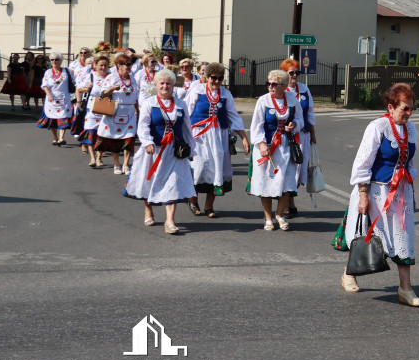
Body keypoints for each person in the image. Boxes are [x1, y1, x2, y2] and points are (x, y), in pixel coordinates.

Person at [342, 83, 419, 306]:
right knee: (366, 233)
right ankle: (349, 274)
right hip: (377, 190)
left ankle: (405, 289)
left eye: (411, 109)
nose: (408, 113)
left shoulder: (411, 129)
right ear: (390, 107)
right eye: (404, 108)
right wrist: (363, 194)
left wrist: (412, 192)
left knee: (403, 238)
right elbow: (362, 162)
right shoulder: (377, 127)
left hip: (401, 192)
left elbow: (410, 163)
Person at [123, 69, 196, 234]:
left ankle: (170, 221)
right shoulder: (149, 103)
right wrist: (147, 142)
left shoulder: (180, 104)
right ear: (156, 85)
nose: (165, 86)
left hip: (173, 151)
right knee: (149, 181)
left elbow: (186, 128)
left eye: (168, 83)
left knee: (173, 183)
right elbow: (142, 125)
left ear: (173, 86)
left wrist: (191, 149)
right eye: (162, 83)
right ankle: (148, 210)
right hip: (153, 151)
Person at [184, 63, 248, 218]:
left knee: (216, 168)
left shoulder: (226, 94)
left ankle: (209, 206)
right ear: (207, 77)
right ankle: (193, 201)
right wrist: (183, 136)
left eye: (220, 78)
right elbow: (186, 113)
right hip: (199, 136)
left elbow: (234, 116)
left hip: (219, 136)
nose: (217, 81)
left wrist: (244, 137)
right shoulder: (197, 90)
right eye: (214, 78)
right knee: (198, 167)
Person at [247, 70, 303, 231]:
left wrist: (294, 125)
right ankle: (268, 218)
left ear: (284, 86)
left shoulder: (292, 100)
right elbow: (256, 125)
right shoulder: (263, 101)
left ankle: (280, 214)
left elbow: (300, 119)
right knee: (266, 180)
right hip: (268, 145)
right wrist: (262, 145)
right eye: (269, 83)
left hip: (286, 146)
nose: (270, 86)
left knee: (285, 180)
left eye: (274, 84)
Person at [282, 58, 317, 217]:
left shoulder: (304, 89)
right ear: (285, 73)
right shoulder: (281, 89)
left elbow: (310, 112)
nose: (294, 75)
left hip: (303, 135)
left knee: (299, 169)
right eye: (291, 72)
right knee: (289, 169)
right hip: (286, 136)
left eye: (297, 72)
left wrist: (313, 134)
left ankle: (290, 202)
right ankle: (287, 205)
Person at [95, 54, 140, 175]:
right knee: (115, 139)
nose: (130, 67)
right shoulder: (112, 77)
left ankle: (126, 164)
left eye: (130, 64)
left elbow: (136, 96)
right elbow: (102, 93)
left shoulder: (133, 79)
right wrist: (112, 89)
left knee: (129, 138)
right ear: (119, 65)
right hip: (115, 111)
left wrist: (137, 110)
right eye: (127, 64)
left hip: (130, 112)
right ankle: (117, 164)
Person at [76, 53, 112, 168]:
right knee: (91, 133)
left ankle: (99, 157)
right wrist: (87, 88)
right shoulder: (91, 76)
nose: (103, 68)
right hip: (92, 109)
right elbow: (79, 88)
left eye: (105, 65)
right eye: (101, 65)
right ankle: (92, 158)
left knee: (102, 135)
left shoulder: (111, 76)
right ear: (95, 65)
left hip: (106, 109)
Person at [36, 53, 74, 146]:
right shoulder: (48, 72)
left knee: (63, 117)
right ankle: (55, 137)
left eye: (56, 59)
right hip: (51, 98)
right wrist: (49, 95)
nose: (54, 61)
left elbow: (75, 81)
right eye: (52, 59)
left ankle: (61, 138)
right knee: (52, 118)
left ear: (61, 60)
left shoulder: (67, 71)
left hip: (64, 97)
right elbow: (45, 85)